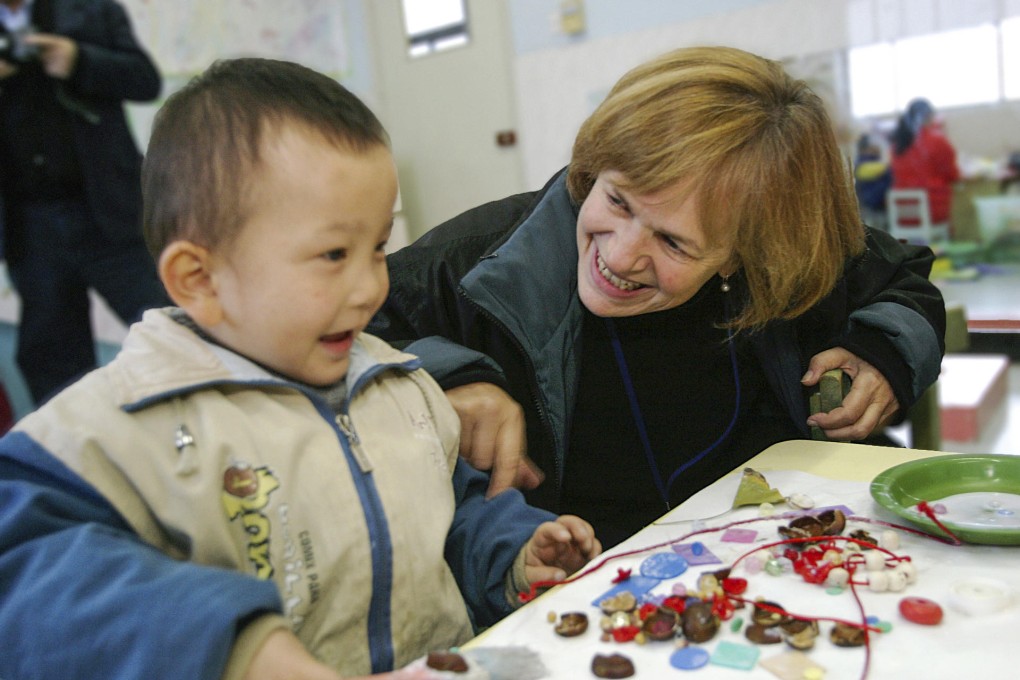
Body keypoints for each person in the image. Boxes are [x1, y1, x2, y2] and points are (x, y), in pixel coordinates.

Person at [0, 58, 600, 680]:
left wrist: (511, 553)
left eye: (377, 248)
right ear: (199, 278)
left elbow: (449, 514)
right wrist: (234, 644)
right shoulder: (120, 425)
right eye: (333, 254)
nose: (372, 286)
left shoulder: (402, 386)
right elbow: (23, 570)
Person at [370, 46, 947, 548]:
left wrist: (883, 352)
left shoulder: (791, 251)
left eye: (673, 242)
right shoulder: (482, 264)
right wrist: (444, 375)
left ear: (751, 252)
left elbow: (905, 282)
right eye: (617, 201)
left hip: (770, 556)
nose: (618, 257)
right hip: (577, 591)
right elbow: (338, 333)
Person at [0, 0, 170, 406]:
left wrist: (79, 60)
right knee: (53, 357)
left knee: (170, 327)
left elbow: (146, 81)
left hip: (109, 211)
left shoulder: (90, 10)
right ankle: (74, 460)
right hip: (30, 223)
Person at [890, 97, 961, 225]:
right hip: (932, 209)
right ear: (930, 117)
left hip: (901, 211)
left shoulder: (898, 144)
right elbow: (953, 175)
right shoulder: (937, 141)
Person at [853, 132, 892, 231]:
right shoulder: (878, 165)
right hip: (879, 206)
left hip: (865, 207)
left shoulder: (857, 163)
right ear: (870, 147)